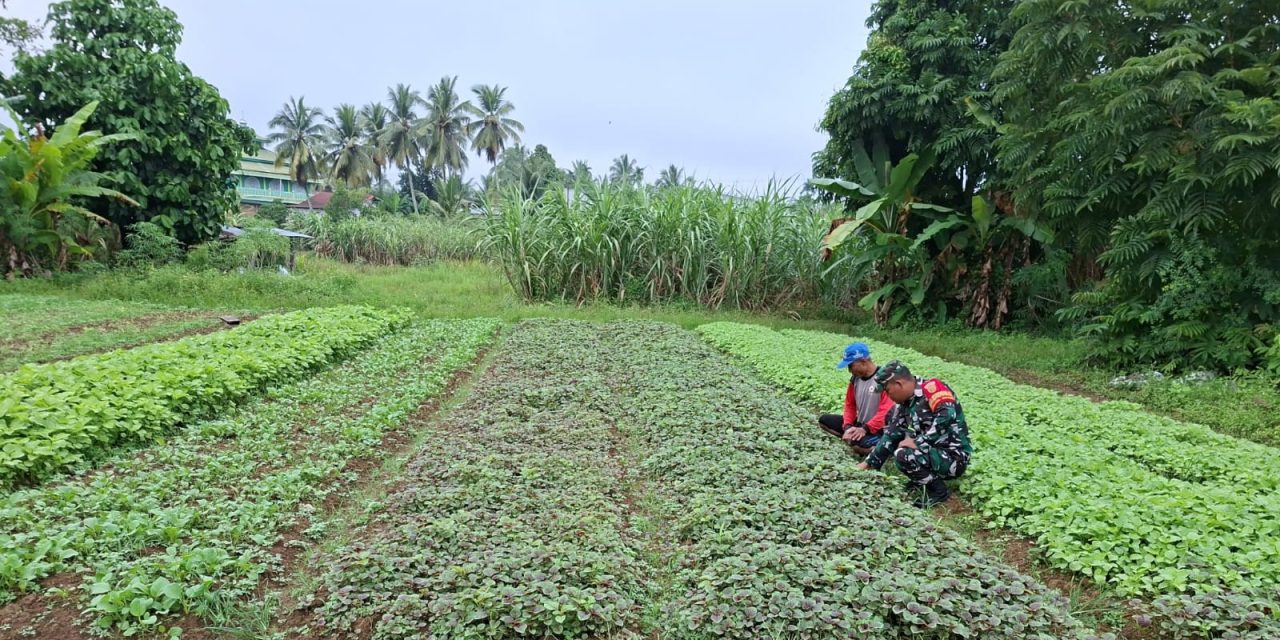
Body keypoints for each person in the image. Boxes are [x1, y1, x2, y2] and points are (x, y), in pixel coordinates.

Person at [856, 360, 973, 508]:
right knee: (901, 445)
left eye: (887, 390)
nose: (887, 395)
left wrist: (919, 442)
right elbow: (893, 433)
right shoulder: (906, 402)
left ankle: (939, 491)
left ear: (899, 384)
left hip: (953, 457)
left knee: (903, 454)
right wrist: (869, 463)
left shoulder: (932, 388)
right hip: (933, 453)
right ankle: (922, 479)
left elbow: (947, 416)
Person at [818, 342, 896, 455]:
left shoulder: (884, 378)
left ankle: (882, 445)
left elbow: (885, 412)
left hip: (880, 429)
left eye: (851, 366)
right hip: (860, 423)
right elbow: (850, 405)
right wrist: (848, 427)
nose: (849, 370)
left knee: (858, 446)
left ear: (863, 361)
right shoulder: (855, 379)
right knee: (824, 420)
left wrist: (865, 429)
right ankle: (854, 437)